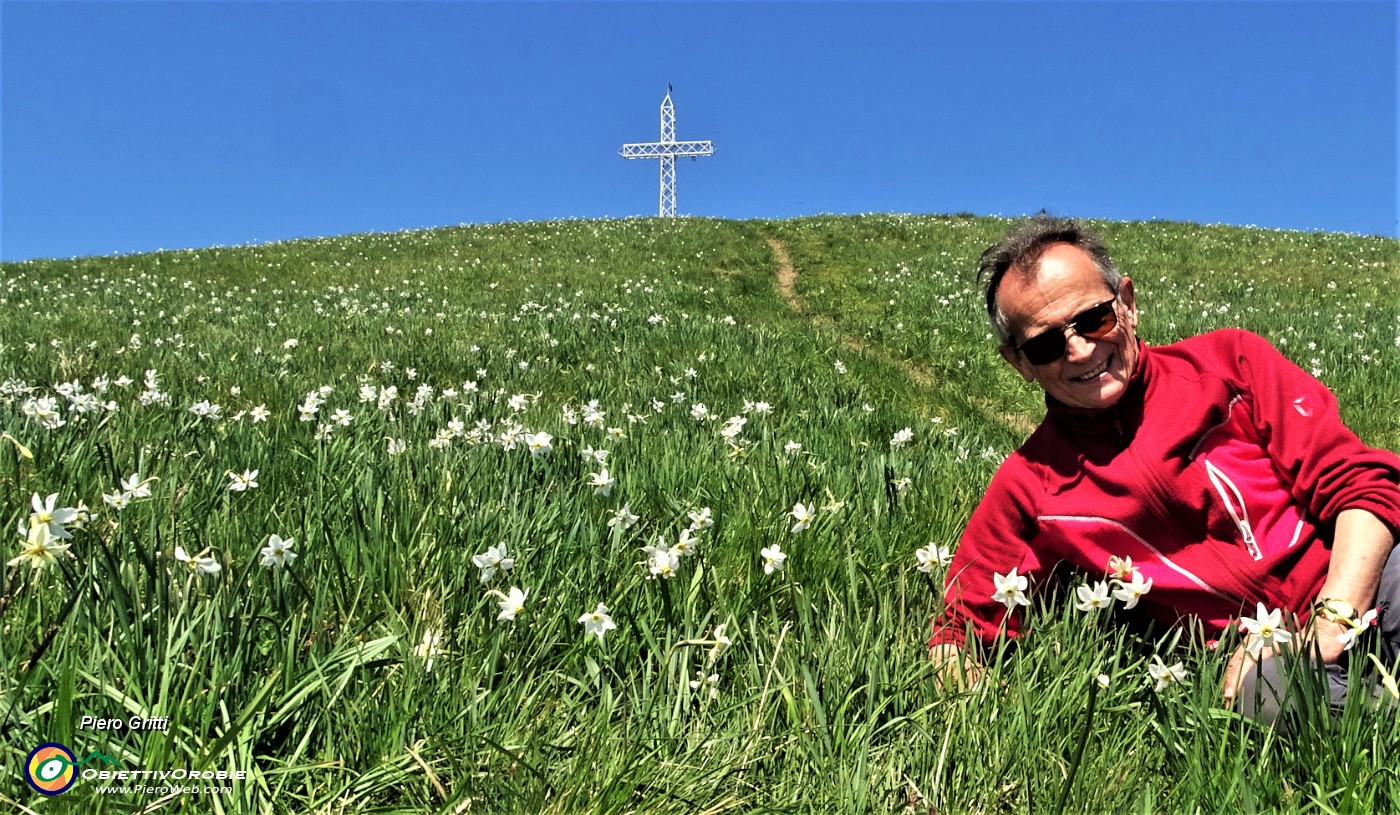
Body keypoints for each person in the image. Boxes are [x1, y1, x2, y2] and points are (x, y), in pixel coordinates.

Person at [929, 215, 1400, 722]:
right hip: (1259, 660)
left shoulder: (1228, 364)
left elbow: (1363, 486)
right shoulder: (1030, 486)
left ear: (1127, 304)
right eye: (1045, 345)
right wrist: (1001, 723)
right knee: (1264, 697)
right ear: (1019, 364)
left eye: (1094, 320)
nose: (1081, 349)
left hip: (1365, 580)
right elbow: (958, 630)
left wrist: (1331, 619)